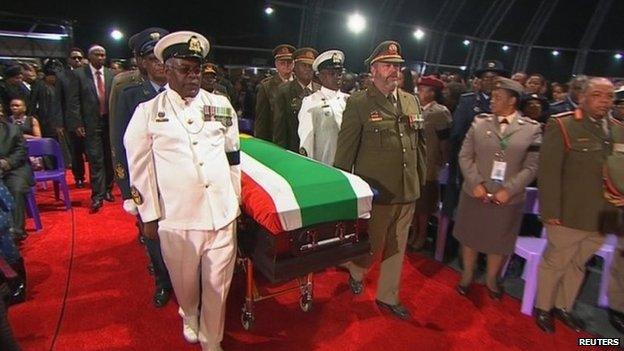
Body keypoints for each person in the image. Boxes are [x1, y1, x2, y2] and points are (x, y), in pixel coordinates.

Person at [124, 31, 240, 351]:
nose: (193, 77)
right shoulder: (147, 113)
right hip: (179, 219)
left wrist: (236, 199)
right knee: (187, 287)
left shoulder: (220, 105)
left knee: (217, 286)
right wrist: (147, 213)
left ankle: (211, 340)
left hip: (221, 214)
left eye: (197, 70)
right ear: (166, 69)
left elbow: (233, 157)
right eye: (185, 69)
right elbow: (139, 169)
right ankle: (189, 314)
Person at [334, 40, 425, 320]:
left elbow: (419, 145)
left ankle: (388, 297)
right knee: (372, 246)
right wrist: (343, 192)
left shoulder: (411, 100)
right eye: (387, 65)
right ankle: (356, 268)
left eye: (397, 66)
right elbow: (345, 151)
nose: (394, 71)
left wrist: (419, 180)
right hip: (376, 192)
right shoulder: (359, 102)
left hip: (406, 189)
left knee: (397, 245)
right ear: (373, 70)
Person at [535, 77, 623, 333]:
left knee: (578, 264)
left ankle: (563, 307)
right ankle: (543, 308)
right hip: (568, 213)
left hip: (603, 215)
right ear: (582, 97)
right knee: (556, 262)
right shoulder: (563, 125)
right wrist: (550, 211)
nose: (605, 101)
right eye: (598, 95)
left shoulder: (618, 129)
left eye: (609, 97)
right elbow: (549, 173)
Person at [453, 77, 541, 298]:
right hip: (475, 193)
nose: (492, 100)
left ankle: (492, 279)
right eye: (492, 96)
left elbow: (532, 167)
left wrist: (508, 190)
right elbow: (465, 156)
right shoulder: (479, 123)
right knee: (470, 236)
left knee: (498, 241)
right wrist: (476, 183)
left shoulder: (532, 129)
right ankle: (467, 275)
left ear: (512, 101)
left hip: (508, 199)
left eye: (498, 97)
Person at [112, 27, 172, 308]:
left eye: (163, 57)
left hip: (175, 180)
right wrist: (128, 191)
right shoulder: (129, 94)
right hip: (146, 180)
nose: (159, 64)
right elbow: (118, 144)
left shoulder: (182, 93)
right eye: (152, 58)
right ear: (141, 62)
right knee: (152, 234)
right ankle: (162, 281)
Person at [443, 60, 509, 220]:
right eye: (487, 77)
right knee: (461, 209)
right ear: (480, 80)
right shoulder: (468, 101)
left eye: (495, 78)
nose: (491, 81)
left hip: (494, 167)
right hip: (469, 165)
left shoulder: (509, 105)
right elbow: (457, 134)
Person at [67, 45, 115, 213]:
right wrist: (77, 123)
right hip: (90, 123)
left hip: (109, 122)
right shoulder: (79, 75)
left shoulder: (110, 74)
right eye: (97, 54)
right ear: (90, 56)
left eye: (103, 55)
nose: (101, 57)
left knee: (109, 157)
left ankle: (109, 189)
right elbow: (73, 101)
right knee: (95, 159)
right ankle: (97, 196)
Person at [408, 76, 451, 251]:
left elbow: (444, 141)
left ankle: (422, 235)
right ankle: (414, 231)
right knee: (414, 204)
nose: (420, 92)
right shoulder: (415, 108)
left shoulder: (439, 112)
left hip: (429, 164)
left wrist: (442, 159)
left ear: (433, 93)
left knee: (424, 206)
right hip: (413, 162)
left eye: (424, 89)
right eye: (420, 89)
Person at [297, 50, 348, 165]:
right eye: (331, 73)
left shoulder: (349, 100)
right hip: (324, 165)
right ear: (320, 76)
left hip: (347, 166)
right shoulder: (311, 102)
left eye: (339, 73)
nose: (337, 77)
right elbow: (307, 141)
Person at [272, 47, 320, 151]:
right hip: (293, 149)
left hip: (317, 150)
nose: (308, 69)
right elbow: (279, 129)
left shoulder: (320, 90)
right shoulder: (284, 91)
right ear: (295, 67)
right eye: (304, 65)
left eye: (311, 66)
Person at [0, 104, 34, 242]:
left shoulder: (13, 129)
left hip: (15, 168)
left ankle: (17, 231)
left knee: (16, 188)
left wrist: (6, 163)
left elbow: (21, 151)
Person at [254, 44, 295, 141]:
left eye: (289, 62)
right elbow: (261, 120)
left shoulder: (300, 84)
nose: (286, 65)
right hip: (274, 138)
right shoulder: (266, 87)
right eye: (282, 62)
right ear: (276, 64)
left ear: (294, 63)